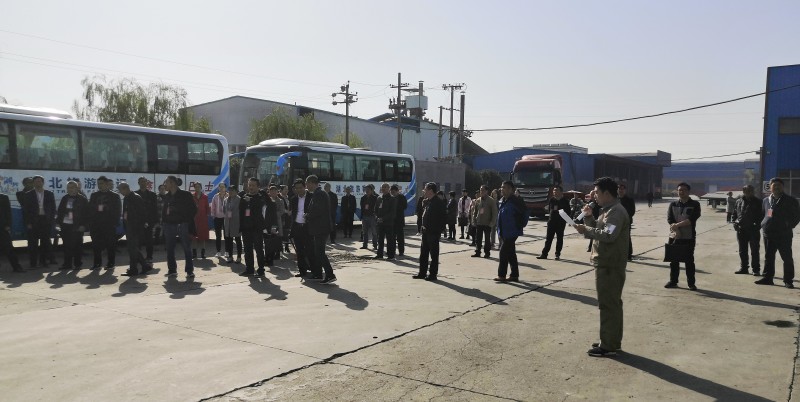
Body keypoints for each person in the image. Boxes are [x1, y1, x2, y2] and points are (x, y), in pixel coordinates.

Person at [574, 177, 630, 357]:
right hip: (607, 262)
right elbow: (599, 232)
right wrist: (588, 218)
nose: (594, 196)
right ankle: (611, 340)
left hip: (610, 264)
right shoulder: (607, 211)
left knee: (608, 305)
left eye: (597, 192)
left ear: (607, 193)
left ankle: (608, 345)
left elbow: (608, 235)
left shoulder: (615, 212)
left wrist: (586, 229)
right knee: (612, 304)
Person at [755, 178, 799, 288]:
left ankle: (788, 281)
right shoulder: (766, 200)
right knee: (769, 257)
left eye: (779, 185)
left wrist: (788, 225)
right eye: (774, 185)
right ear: (770, 187)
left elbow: (797, 216)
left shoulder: (790, 200)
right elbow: (763, 214)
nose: (776, 187)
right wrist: (763, 224)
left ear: (783, 187)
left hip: (783, 234)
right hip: (768, 234)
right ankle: (768, 278)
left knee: (787, 258)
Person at [664, 182, 701, 290]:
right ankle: (673, 281)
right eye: (679, 190)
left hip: (689, 237)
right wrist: (676, 230)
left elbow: (692, 219)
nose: (681, 192)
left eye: (684, 190)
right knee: (674, 260)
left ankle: (691, 283)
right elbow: (670, 219)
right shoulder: (673, 204)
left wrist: (677, 226)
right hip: (674, 236)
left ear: (688, 191)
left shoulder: (695, 204)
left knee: (689, 261)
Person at [162, 175, 197, 278]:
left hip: (182, 225)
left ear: (172, 183)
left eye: (166, 182)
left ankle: (189, 271)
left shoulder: (185, 195)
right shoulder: (167, 196)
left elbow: (194, 209)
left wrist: (185, 220)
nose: (164, 185)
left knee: (186, 247)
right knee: (169, 248)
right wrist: (164, 222)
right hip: (169, 225)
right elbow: (164, 211)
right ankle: (172, 270)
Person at [306, 175, 336, 284]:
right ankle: (318, 274)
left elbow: (318, 210)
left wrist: (308, 215)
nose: (306, 186)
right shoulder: (318, 193)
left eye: (307, 184)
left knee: (319, 252)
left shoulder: (320, 194)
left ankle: (330, 274)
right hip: (320, 227)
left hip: (321, 227)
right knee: (317, 251)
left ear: (312, 183)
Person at [413, 182, 446, 281]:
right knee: (423, 254)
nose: (424, 191)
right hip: (425, 231)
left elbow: (443, 218)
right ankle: (422, 273)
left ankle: (433, 274)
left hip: (433, 232)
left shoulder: (438, 203)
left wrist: (438, 230)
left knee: (434, 255)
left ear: (431, 191)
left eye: (425, 189)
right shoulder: (428, 201)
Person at [495, 181, 527, 282]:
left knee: (503, 252)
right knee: (511, 253)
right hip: (503, 231)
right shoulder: (502, 201)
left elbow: (525, 213)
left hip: (512, 231)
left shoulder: (516, 201)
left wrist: (520, 225)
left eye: (504, 187)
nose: (502, 189)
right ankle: (514, 275)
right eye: (501, 187)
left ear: (510, 189)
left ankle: (502, 275)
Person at [118, 183, 152, 276]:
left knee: (133, 248)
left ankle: (142, 266)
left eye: (121, 190)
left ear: (126, 188)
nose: (120, 192)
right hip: (129, 226)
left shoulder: (136, 197)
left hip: (135, 227)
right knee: (132, 249)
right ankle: (136, 268)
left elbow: (142, 213)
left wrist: (139, 226)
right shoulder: (126, 198)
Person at [23, 175, 57, 268]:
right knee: (33, 243)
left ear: (43, 182)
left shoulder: (49, 194)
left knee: (45, 242)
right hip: (33, 221)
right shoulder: (28, 194)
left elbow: (53, 208)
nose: (38, 183)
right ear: (33, 183)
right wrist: (28, 223)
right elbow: (25, 211)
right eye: (36, 181)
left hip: (45, 221)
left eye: (39, 181)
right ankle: (33, 263)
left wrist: (51, 220)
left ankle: (43, 261)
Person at [88, 176, 121, 269]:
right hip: (96, 224)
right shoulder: (94, 195)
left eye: (101, 183)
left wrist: (114, 222)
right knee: (96, 245)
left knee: (110, 245)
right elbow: (90, 209)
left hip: (109, 224)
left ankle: (111, 263)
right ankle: (97, 264)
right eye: (98, 184)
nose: (99, 185)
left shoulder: (114, 196)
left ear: (107, 184)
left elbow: (118, 210)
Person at [56, 181, 88, 270]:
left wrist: (83, 225)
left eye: (72, 187)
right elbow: (60, 211)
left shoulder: (82, 199)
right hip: (66, 226)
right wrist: (58, 223)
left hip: (77, 226)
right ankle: (67, 264)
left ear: (77, 188)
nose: (70, 189)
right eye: (68, 188)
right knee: (66, 246)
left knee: (77, 246)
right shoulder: (65, 198)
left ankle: (78, 264)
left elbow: (86, 214)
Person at [238, 178, 266, 277]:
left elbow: (260, 208)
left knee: (259, 249)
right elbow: (241, 213)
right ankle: (249, 269)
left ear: (258, 187)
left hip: (257, 228)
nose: (251, 187)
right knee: (247, 249)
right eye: (249, 185)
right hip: (246, 228)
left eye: (253, 185)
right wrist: (241, 226)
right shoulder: (244, 197)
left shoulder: (261, 197)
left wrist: (251, 201)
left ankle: (261, 270)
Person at [733, 185, 762, 276]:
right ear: (744, 191)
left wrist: (757, 225)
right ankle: (744, 268)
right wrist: (734, 222)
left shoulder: (758, 202)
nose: (750, 192)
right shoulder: (738, 201)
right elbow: (734, 213)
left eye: (751, 190)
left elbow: (762, 215)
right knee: (742, 250)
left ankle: (756, 269)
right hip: (741, 230)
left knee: (754, 251)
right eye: (747, 190)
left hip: (753, 230)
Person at [537, 185, 570, 260]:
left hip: (560, 223)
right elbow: (549, 210)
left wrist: (563, 215)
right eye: (554, 190)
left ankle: (557, 254)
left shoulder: (565, 201)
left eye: (556, 190)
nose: (554, 192)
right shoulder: (552, 200)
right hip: (551, 222)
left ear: (561, 192)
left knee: (559, 239)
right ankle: (544, 254)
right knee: (548, 239)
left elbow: (568, 212)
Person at [289, 179, 312, 277]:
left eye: (300, 188)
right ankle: (302, 270)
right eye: (297, 188)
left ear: (304, 187)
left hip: (307, 227)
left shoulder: (311, 197)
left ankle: (313, 269)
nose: (299, 190)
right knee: (299, 250)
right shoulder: (293, 199)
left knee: (310, 249)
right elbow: (293, 214)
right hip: (297, 227)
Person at [471, 185, 498, 259]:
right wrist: (474, 220)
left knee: (487, 239)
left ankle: (487, 253)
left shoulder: (491, 200)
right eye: (480, 190)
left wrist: (492, 223)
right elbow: (475, 212)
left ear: (486, 191)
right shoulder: (478, 200)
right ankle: (478, 251)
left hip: (487, 223)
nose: (481, 192)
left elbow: (494, 213)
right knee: (478, 239)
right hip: (479, 222)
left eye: (483, 190)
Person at [135, 177, 158, 262]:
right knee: (138, 241)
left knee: (149, 240)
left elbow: (155, 209)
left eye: (145, 182)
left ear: (147, 183)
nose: (143, 183)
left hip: (149, 221)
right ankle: (138, 257)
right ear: (138, 183)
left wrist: (155, 221)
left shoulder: (152, 195)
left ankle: (149, 257)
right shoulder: (135, 194)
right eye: (141, 182)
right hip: (138, 221)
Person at [0, 192, 23, 272]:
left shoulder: (4, 197)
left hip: (2, 227)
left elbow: (8, 212)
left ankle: (16, 267)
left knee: (9, 248)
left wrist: (8, 225)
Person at [374, 182, 397, 260]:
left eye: (385, 187)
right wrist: (377, 218)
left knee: (390, 240)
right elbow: (375, 210)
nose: (383, 189)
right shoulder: (379, 198)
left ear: (389, 189)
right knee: (380, 239)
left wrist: (383, 218)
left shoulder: (392, 199)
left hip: (388, 223)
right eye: (382, 187)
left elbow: (392, 212)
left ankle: (391, 256)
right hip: (380, 223)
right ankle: (380, 254)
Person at [262, 185, 281, 267]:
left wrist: (274, 228)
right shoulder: (261, 205)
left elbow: (274, 218)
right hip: (263, 226)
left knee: (270, 244)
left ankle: (270, 260)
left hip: (271, 226)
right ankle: (266, 258)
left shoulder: (272, 204)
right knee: (266, 244)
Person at [223, 185, 242, 264]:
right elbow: (224, 210)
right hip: (228, 222)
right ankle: (230, 256)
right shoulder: (226, 199)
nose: (230, 192)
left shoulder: (239, 199)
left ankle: (239, 257)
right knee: (229, 240)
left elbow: (242, 211)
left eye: (232, 190)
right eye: (229, 190)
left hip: (236, 222)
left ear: (236, 191)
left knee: (238, 240)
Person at [191, 182, 210, 259]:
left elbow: (207, 207)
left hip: (203, 219)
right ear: (194, 188)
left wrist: (207, 215)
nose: (197, 188)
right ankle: (194, 253)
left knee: (203, 237)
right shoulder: (192, 196)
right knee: (194, 237)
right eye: (196, 187)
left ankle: (203, 253)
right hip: (194, 219)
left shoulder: (205, 197)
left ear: (201, 187)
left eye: (198, 187)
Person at [618, 184, 636, 261]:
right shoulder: (615, 199)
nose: (621, 190)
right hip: (616, 222)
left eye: (622, 189)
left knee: (626, 238)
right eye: (619, 189)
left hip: (626, 222)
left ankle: (629, 255)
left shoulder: (629, 200)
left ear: (625, 190)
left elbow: (632, 211)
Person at [210, 183, 228, 258]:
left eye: (223, 187)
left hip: (226, 218)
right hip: (217, 218)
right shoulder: (215, 196)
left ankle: (227, 251)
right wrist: (213, 216)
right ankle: (218, 252)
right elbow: (213, 207)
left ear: (225, 188)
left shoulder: (228, 196)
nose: (221, 188)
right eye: (220, 187)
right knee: (218, 236)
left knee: (226, 235)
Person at [391, 184, 407, 256]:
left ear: (397, 191)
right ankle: (392, 250)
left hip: (399, 220)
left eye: (394, 192)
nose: (392, 193)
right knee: (392, 237)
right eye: (391, 192)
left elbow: (405, 206)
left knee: (400, 237)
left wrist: (397, 207)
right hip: (392, 221)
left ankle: (401, 251)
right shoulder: (390, 198)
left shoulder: (402, 197)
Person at [360, 184, 378, 250]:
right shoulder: (363, 198)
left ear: (371, 190)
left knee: (374, 232)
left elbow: (377, 207)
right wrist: (362, 216)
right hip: (365, 216)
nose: (367, 191)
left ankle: (375, 245)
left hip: (372, 216)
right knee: (365, 232)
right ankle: (365, 245)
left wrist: (376, 215)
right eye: (366, 189)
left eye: (368, 190)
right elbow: (362, 208)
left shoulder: (375, 198)